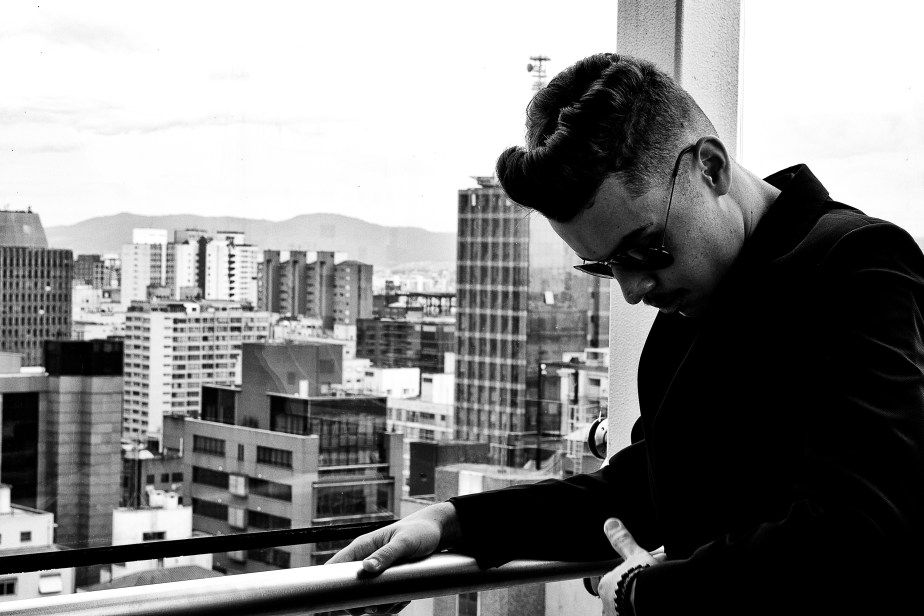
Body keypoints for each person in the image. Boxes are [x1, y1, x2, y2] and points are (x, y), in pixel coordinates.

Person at [328, 53, 924, 615]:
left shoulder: (858, 262)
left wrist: (646, 594)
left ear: (711, 167)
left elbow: (863, 525)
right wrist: (451, 521)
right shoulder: (690, 306)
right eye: (606, 266)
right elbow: (645, 490)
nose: (634, 290)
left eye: (645, 249)